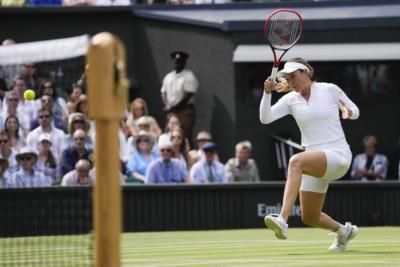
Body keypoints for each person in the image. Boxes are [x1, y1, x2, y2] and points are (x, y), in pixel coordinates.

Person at [260, 58, 360, 251]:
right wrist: (266, 93)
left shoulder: (329, 89)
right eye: (287, 78)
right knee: (310, 216)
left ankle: (282, 219)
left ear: (305, 72)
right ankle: (343, 232)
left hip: (338, 155)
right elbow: (265, 118)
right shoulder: (290, 99)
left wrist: (348, 111)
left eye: (293, 76)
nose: (290, 81)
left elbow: (355, 109)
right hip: (315, 160)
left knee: (295, 161)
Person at [161, 51, 199, 142]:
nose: (176, 63)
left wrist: (175, 107)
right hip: (171, 111)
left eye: (179, 61)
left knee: (184, 135)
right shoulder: (168, 77)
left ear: (184, 63)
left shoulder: (189, 76)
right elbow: (163, 92)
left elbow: (189, 94)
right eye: (175, 61)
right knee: (170, 134)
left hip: (184, 110)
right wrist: (167, 105)